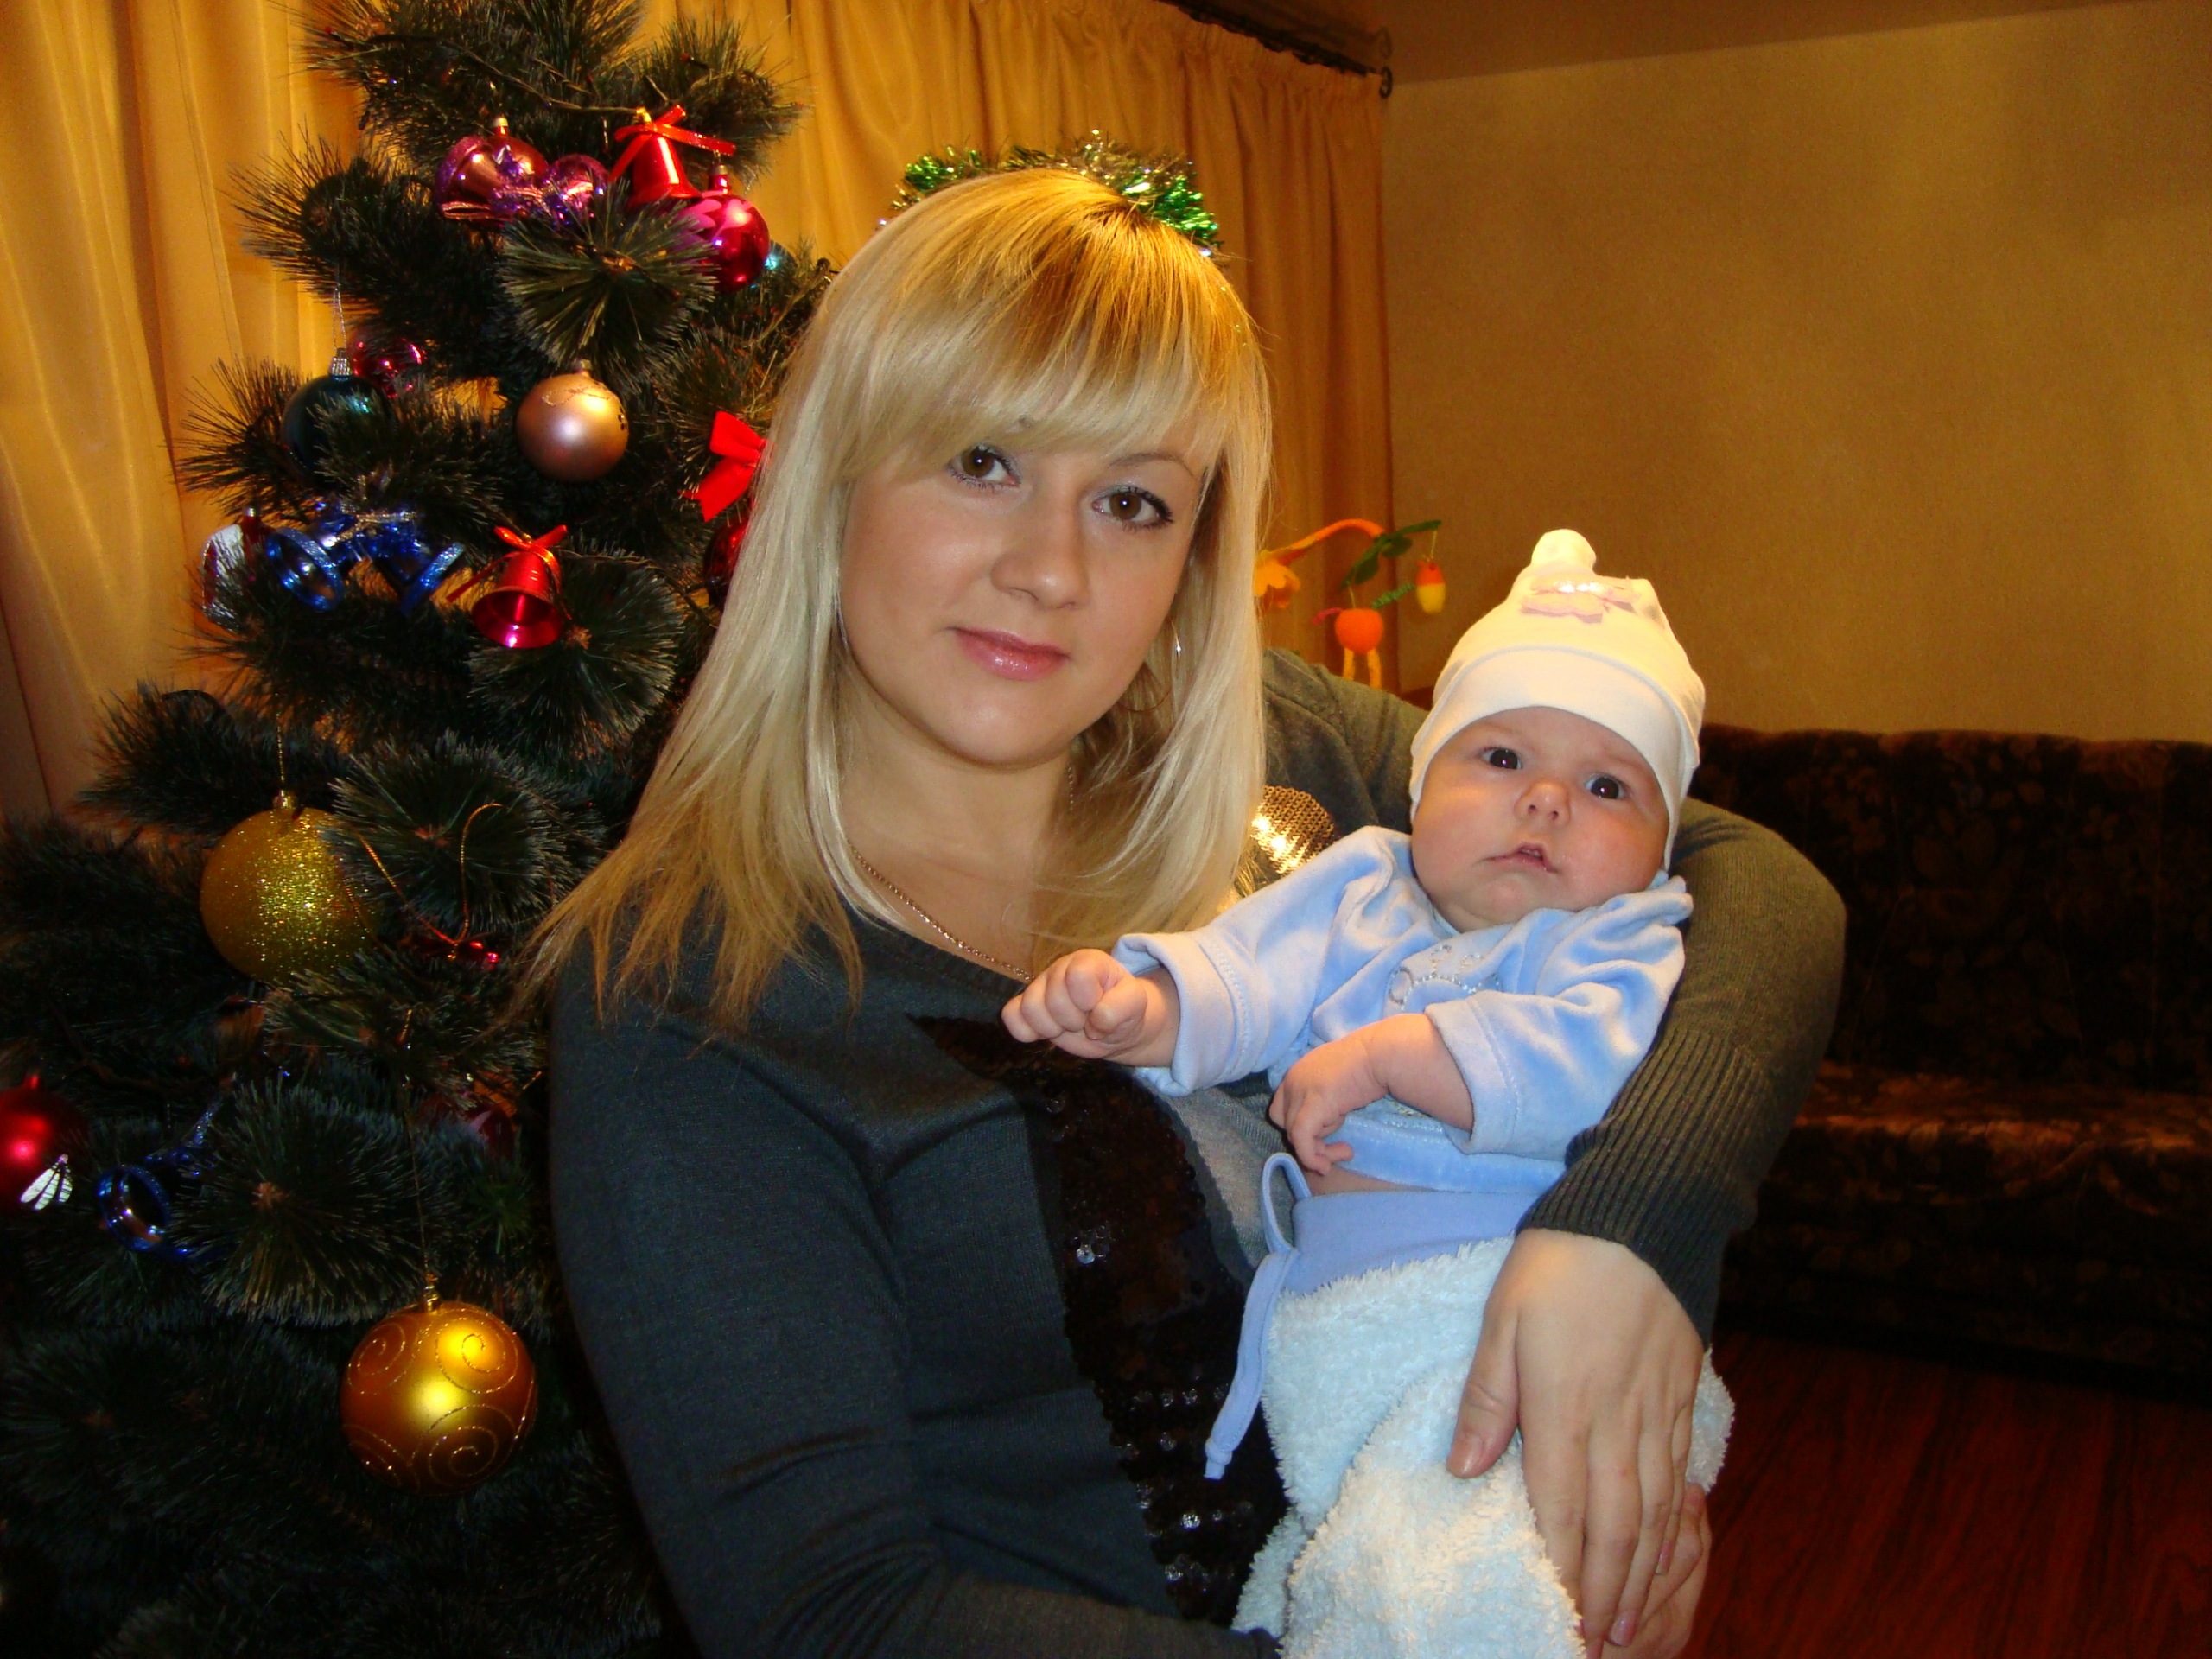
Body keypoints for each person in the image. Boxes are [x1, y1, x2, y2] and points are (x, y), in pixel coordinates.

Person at [537, 164, 1844, 1659]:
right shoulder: (685, 994)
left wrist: (1634, 1236)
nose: (1049, 570)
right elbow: (827, 1616)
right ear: (831, 477)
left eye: (1131, 501)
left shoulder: (1261, 744)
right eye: (981, 460)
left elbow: (1759, 890)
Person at [1004, 529, 1732, 1656]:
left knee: (1455, 1573)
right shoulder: (1358, 883)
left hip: (1507, 1325)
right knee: (1347, 1547)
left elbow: (1592, 1069)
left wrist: (1398, 1056)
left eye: (1607, 785)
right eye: (1501, 758)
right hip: (1338, 1324)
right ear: (1423, 781)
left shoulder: (1622, 939)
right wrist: (1140, 1006)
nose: (1547, 802)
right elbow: (1244, 977)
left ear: (1660, 848)